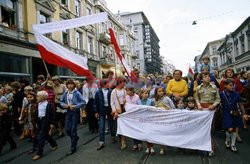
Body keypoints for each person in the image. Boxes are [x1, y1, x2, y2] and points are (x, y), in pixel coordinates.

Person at [195, 71, 220, 157]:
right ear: (201, 79)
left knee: (211, 128)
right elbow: (197, 98)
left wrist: (213, 105)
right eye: (205, 76)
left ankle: (211, 147)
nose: (208, 78)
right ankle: (201, 146)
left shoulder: (214, 87)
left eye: (209, 76)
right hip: (202, 109)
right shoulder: (198, 88)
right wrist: (198, 105)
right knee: (202, 127)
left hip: (211, 109)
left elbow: (218, 99)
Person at [220, 79, 247, 152]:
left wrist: (244, 113)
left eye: (233, 85)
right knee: (230, 129)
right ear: (225, 85)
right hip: (226, 113)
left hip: (235, 113)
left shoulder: (236, 94)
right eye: (230, 85)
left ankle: (233, 144)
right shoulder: (221, 94)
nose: (232, 87)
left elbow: (241, 104)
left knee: (234, 129)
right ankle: (227, 140)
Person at [60, 79, 85, 155]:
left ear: (74, 85)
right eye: (68, 84)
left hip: (75, 112)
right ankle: (75, 138)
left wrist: (76, 106)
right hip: (68, 112)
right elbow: (61, 102)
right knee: (67, 129)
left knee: (73, 130)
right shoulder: (65, 93)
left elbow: (83, 101)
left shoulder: (77, 93)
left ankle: (73, 147)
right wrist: (66, 106)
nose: (70, 85)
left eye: (71, 84)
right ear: (66, 85)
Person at [32, 91, 57, 160]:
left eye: (38, 96)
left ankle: (39, 153)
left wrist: (52, 123)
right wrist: (37, 122)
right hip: (40, 121)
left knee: (41, 137)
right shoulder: (38, 104)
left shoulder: (48, 104)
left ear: (43, 97)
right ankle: (54, 144)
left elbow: (52, 115)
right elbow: (37, 113)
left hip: (46, 121)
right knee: (46, 135)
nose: (37, 98)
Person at [94, 79, 115, 151]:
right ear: (103, 84)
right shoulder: (98, 92)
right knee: (101, 126)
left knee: (111, 124)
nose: (109, 84)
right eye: (108, 83)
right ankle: (101, 142)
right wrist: (96, 112)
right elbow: (95, 103)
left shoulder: (111, 91)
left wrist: (113, 110)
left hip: (109, 110)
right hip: (101, 110)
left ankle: (113, 136)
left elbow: (113, 101)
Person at [154, 86, 175, 155]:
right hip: (159, 119)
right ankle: (161, 148)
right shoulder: (154, 100)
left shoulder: (167, 99)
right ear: (156, 92)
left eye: (162, 91)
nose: (161, 93)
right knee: (160, 133)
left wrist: (166, 109)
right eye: (159, 91)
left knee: (167, 132)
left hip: (167, 119)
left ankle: (168, 143)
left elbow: (173, 108)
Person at [137, 88, 155, 155]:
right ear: (141, 94)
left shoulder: (150, 101)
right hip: (142, 120)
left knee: (150, 133)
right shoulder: (138, 102)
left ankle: (152, 147)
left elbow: (154, 110)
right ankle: (148, 147)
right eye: (145, 93)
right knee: (145, 134)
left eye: (147, 93)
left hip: (150, 120)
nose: (146, 94)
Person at [111, 76, 127, 150]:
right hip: (118, 109)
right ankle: (121, 140)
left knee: (124, 125)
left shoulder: (124, 90)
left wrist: (125, 100)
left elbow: (127, 99)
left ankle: (123, 141)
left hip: (124, 108)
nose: (124, 83)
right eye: (124, 82)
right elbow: (112, 103)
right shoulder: (114, 91)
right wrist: (114, 111)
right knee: (119, 126)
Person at [125, 84, 141, 151]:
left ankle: (139, 143)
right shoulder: (126, 97)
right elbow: (126, 105)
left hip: (136, 115)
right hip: (130, 116)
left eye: (128, 91)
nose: (127, 92)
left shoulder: (137, 97)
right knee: (133, 130)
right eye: (126, 91)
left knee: (138, 129)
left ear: (132, 91)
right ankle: (135, 144)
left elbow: (139, 106)